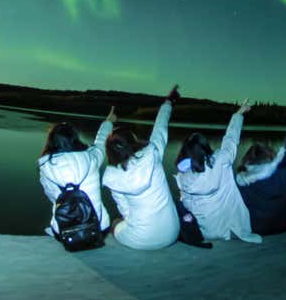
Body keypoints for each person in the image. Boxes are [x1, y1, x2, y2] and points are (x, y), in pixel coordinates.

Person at [102, 85, 181, 250]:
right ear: (133, 141)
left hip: (139, 240)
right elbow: (160, 127)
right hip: (172, 232)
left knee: (115, 222)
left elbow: (124, 209)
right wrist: (168, 103)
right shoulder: (153, 153)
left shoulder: (113, 176)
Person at [175, 100, 262, 244]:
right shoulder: (221, 160)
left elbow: (185, 203)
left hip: (202, 230)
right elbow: (231, 139)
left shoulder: (183, 176)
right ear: (205, 147)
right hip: (226, 229)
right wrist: (238, 114)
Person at [38, 108, 116, 237]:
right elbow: (101, 143)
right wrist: (108, 122)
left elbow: (53, 198)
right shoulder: (91, 158)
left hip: (64, 232)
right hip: (98, 228)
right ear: (75, 138)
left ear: (51, 141)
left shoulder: (45, 167)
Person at [235, 108, 286, 236]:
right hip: (282, 225)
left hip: (254, 227)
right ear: (270, 158)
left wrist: (238, 115)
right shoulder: (285, 176)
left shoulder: (241, 181)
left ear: (248, 160)